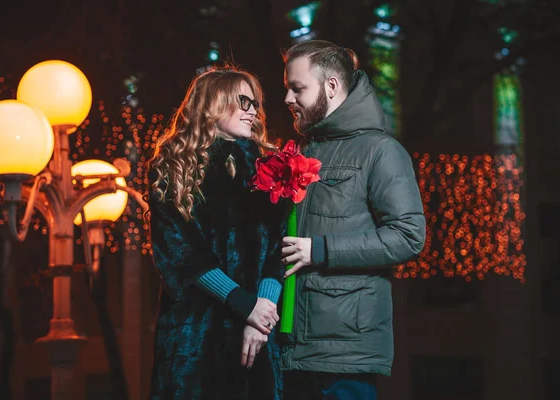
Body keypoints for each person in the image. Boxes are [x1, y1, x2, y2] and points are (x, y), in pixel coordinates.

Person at [279, 40, 426, 399]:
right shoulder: (297, 152)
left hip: (344, 354)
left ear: (331, 86)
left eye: (297, 88)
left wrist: (322, 250)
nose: (286, 98)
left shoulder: (380, 151)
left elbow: (409, 235)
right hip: (288, 350)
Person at [146, 66, 287, 400]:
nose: (252, 109)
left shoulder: (269, 169)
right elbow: (182, 255)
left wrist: (261, 312)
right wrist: (244, 304)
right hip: (196, 334)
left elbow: (278, 247)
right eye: (242, 100)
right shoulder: (172, 166)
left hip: (256, 334)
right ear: (212, 103)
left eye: (255, 102)